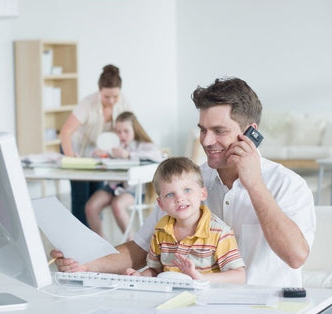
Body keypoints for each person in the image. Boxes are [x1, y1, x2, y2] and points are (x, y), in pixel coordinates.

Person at [51, 77, 316, 287]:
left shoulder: (288, 185)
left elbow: (295, 256)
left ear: (250, 133)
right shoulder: (188, 184)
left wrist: (254, 183)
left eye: (219, 131)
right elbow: (141, 248)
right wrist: (85, 263)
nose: (206, 141)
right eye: (203, 129)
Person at [124, 157, 245, 283]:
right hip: (171, 298)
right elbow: (156, 271)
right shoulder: (160, 231)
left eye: (187, 190)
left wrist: (200, 278)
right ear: (161, 204)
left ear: (202, 194)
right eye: (170, 194)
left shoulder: (219, 232)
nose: (179, 198)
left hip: (206, 299)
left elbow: (239, 276)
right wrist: (141, 277)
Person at [60, 64, 132, 226]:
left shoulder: (124, 102)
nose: (112, 101)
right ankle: (80, 243)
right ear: (99, 90)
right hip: (75, 149)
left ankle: (96, 242)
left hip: (97, 153)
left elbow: (131, 130)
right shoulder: (87, 104)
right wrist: (73, 159)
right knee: (81, 198)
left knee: (95, 199)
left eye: (115, 96)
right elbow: (65, 132)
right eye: (107, 97)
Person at [85, 111, 163, 239]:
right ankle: (101, 242)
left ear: (135, 130)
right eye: (118, 131)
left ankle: (131, 241)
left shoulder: (144, 146)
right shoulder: (114, 146)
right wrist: (101, 155)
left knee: (117, 205)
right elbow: (98, 156)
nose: (122, 135)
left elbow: (158, 156)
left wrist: (128, 155)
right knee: (91, 206)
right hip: (112, 187)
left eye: (126, 131)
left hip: (133, 190)